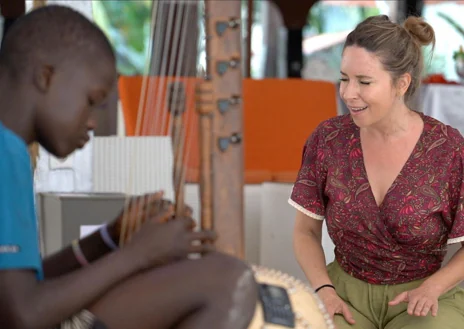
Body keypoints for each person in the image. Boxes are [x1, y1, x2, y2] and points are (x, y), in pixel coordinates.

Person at [0, 5, 258, 329]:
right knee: (228, 282)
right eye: (91, 100)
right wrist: (137, 255)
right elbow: (22, 314)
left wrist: (108, 239)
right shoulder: (5, 152)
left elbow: (19, 288)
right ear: (45, 76)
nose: (92, 121)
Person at [290, 14, 464, 329]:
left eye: (364, 81)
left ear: (402, 83)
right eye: (344, 78)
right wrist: (324, 290)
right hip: (343, 295)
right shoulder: (328, 139)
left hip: (425, 297)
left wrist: (435, 287)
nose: (348, 93)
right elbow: (305, 232)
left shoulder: (448, 149)